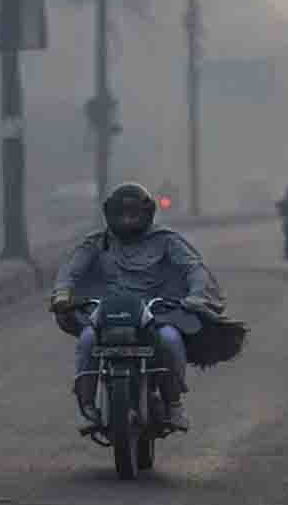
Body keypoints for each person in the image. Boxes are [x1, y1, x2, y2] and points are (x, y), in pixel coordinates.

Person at [49, 183, 218, 432]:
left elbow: (193, 268)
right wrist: (62, 293)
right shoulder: (97, 242)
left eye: (134, 214)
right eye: (121, 214)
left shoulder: (166, 240)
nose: (127, 220)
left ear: (147, 214)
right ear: (110, 214)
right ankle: (86, 406)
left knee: (170, 340)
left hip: (156, 312)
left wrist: (197, 295)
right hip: (105, 314)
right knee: (87, 340)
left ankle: (173, 404)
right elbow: (69, 271)